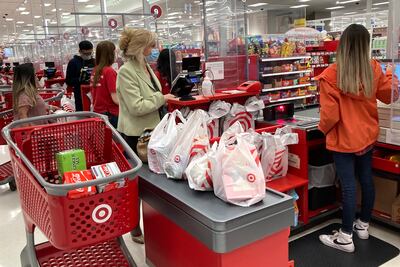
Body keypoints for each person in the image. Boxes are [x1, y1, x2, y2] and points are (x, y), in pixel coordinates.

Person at [317, 24, 399, 253]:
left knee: (348, 186)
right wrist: (391, 73)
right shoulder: (373, 68)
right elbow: (389, 95)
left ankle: (345, 237)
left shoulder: (331, 74)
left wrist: (322, 128)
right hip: (366, 136)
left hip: (343, 139)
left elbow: (330, 116)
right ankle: (362, 225)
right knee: (366, 180)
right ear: (366, 45)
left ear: (343, 44)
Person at [117, 28, 175, 244]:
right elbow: (136, 106)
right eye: (150, 45)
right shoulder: (126, 72)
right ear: (140, 48)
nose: (153, 49)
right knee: (138, 185)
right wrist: (163, 98)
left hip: (153, 131)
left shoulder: (146, 68)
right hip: (137, 136)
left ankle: (153, 222)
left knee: (152, 182)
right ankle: (133, 226)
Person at [90, 41, 119, 128]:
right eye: (114, 52)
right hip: (111, 113)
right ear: (110, 54)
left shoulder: (95, 70)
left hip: (99, 112)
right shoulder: (109, 71)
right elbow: (115, 99)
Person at [66, 40, 95, 112]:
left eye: (90, 53)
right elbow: (68, 81)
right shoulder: (73, 63)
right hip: (80, 95)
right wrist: (80, 79)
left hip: (94, 93)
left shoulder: (94, 61)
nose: (88, 55)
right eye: (85, 53)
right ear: (80, 51)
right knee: (83, 115)